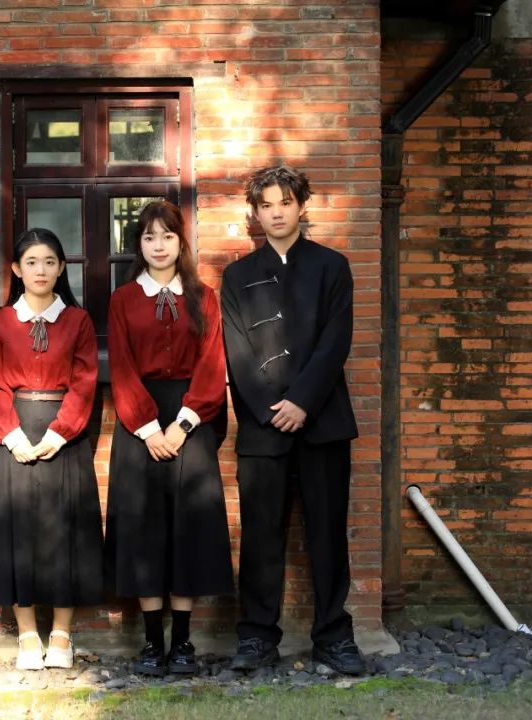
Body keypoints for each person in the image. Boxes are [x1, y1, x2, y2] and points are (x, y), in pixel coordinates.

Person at [220, 165, 364, 675]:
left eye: (285, 202)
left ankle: (334, 637)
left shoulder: (332, 267)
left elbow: (335, 341)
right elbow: (236, 352)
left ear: (302, 206)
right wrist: (270, 408)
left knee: (327, 534)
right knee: (261, 537)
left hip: (324, 422)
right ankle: (257, 637)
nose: (276, 213)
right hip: (262, 429)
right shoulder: (237, 276)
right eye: (266, 205)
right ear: (255, 214)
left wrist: (301, 400)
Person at [105, 200, 233, 676]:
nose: (158, 246)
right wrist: (148, 427)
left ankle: (182, 642)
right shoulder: (123, 300)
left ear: (181, 242)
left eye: (167, 236)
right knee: (143, 530)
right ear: (138, 245)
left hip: (190, 422)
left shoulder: (204, 298)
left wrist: (182, 424)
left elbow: (212, 365)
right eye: (148, 237)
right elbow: (121, 367)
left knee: (187, 529)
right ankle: (151, 642)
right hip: (138, 425)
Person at [0, 228, 104, 671]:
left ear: (61, 268)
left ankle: (61, 634)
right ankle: (27, 634)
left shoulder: (78, 321)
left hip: (64, 434)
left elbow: (84, 382)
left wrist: (59, 433)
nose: (40, 270)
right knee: (17, 531)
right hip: (15, 432)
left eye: (49, 261)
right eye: (31, 262)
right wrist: (12, 436)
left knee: (66, 531)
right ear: (16, 269)